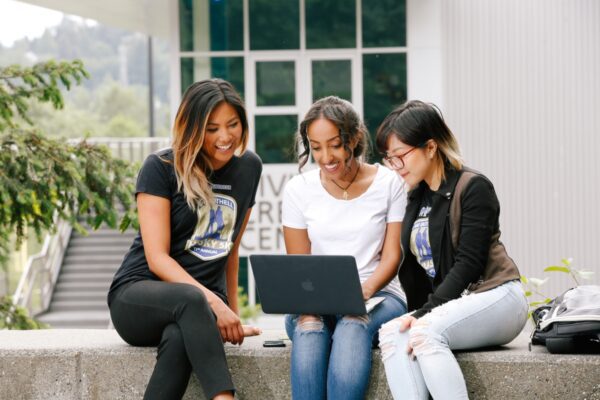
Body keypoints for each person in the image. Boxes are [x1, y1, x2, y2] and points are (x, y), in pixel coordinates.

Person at [107, 79, 263, 400]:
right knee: (192, 300)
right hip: (137, 297)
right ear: (192, 128)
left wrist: (230, 316)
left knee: (181, 335)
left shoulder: (249, 168)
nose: (225, 137)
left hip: (195, 311)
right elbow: (157, 258)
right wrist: (213, 302)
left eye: (232, 125)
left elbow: (230, 251)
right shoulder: (161, 168)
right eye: (211, 128)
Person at [375, 100, 527, 400]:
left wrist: (424, 313)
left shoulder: (473, 187)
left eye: (400, 156)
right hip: (452, 306)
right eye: (389, 159)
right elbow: (417, 274)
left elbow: (469, 263)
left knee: (423, 332)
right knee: (391, 333)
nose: (395, 167)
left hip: (497, 296)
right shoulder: (416, 197)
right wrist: (417, 313)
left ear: (430, 147)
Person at [282, 96, 408, 400]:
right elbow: (300, 266)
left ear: (355, 138)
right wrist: (315, 300)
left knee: (353, 322)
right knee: (309, 325)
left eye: (335, 144)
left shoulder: (389, 183)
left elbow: (393, 256)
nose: (325, 156)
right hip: (319, 298)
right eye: (315, 147)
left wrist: (362, 291)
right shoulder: (298, 190)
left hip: (379, 296)